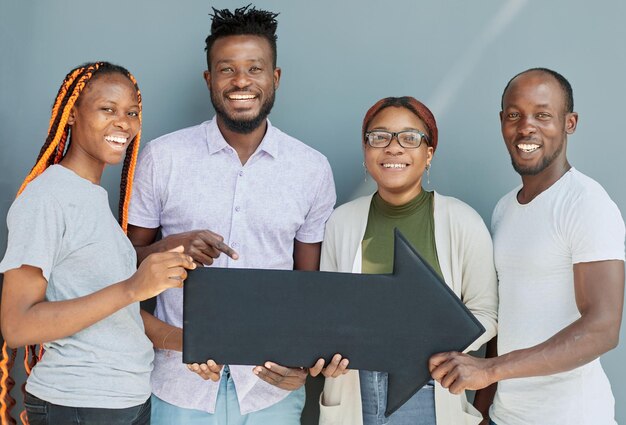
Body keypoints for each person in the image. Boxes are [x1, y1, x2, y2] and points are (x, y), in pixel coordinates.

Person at [126, 5, 336, 425]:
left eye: (255, 68)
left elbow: (307, 288)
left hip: (270, 393)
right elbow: (125, 265)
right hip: (177, 385)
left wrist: (299, 359)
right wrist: (173, 245)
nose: (241, 81)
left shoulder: (311, 169)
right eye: (227, 69)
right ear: (209, 79)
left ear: (274, 78)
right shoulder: (161, 157)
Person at [0, 61, 196, 425]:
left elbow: (120, 317)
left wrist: (193, 344)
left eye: (131, 112)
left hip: (127, 401)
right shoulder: (45, 198)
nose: (124, 122)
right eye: (108, 109)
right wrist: (133, 287)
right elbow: (17, 325)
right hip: (79, 404)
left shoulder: (93, 199)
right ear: (71, 115)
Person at [429, 68, 625, 425]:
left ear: (570, 123)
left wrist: (489, 371)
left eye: (543, 115)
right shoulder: (505, 208)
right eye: (514, 115)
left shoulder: (586, 203)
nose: (526, 127)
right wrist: (485, 411)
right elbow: (506, 321)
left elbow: (603, 327)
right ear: (502, 121)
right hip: (508, 416)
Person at [315, 96, 498, 425]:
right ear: (366, 151)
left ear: (428, 154)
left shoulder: (462, 221)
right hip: (355, 392)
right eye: (379, 137)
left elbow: (486, 314)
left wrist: (435, 344)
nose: (393, 148)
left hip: (430, 388)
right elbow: (327, 313)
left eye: (410, 138)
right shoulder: (340, 224)